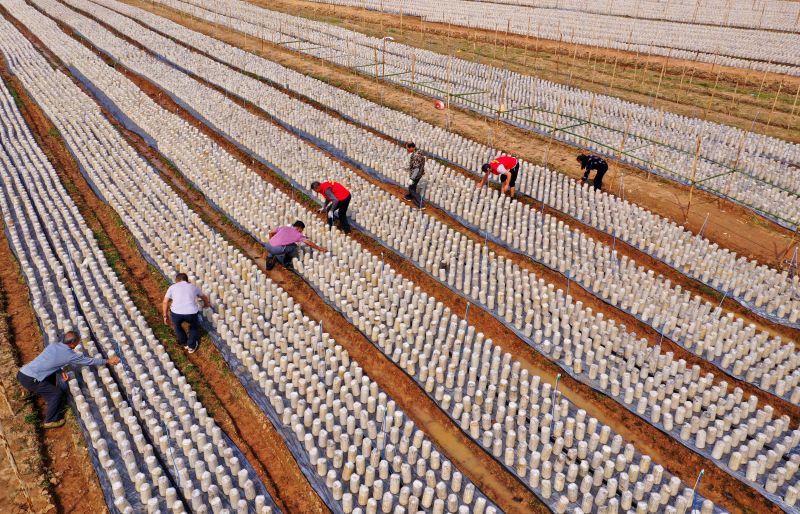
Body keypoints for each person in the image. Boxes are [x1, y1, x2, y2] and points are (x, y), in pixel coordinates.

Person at [17, 331, 120, 428]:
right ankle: (50, 420)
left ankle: (39, 393)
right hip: (30, 379)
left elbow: (49, 361)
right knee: (56, 394)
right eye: (77, 342)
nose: (78, 343)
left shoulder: (53, 345)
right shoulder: (69, 355)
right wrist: (107, 361)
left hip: (23, 372)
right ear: (72, 343)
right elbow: (88, 361)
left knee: (51, 377)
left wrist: (60, 370)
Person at [162, 272, 210, 354]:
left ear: (176, 280)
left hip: (176, 313)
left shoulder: (172, 287)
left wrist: (165, 316)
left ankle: (184, 343)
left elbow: (165, 302)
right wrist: (206, 305)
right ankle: (191, 346)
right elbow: (204, 297)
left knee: (177, 327)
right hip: (191, 313)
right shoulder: (193, 287)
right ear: (187, 280)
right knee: (194, 327)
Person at [404, 142, 425, 208]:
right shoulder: (419, 151)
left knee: (411, 189)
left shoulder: (416, 156)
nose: (407, 149)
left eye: (407, 148)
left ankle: (420, 203)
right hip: (420, 173)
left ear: (411, 147)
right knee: (413, 186)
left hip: (416, 175)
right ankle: (410, 196)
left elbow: (416, 169)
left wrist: (412, 179)